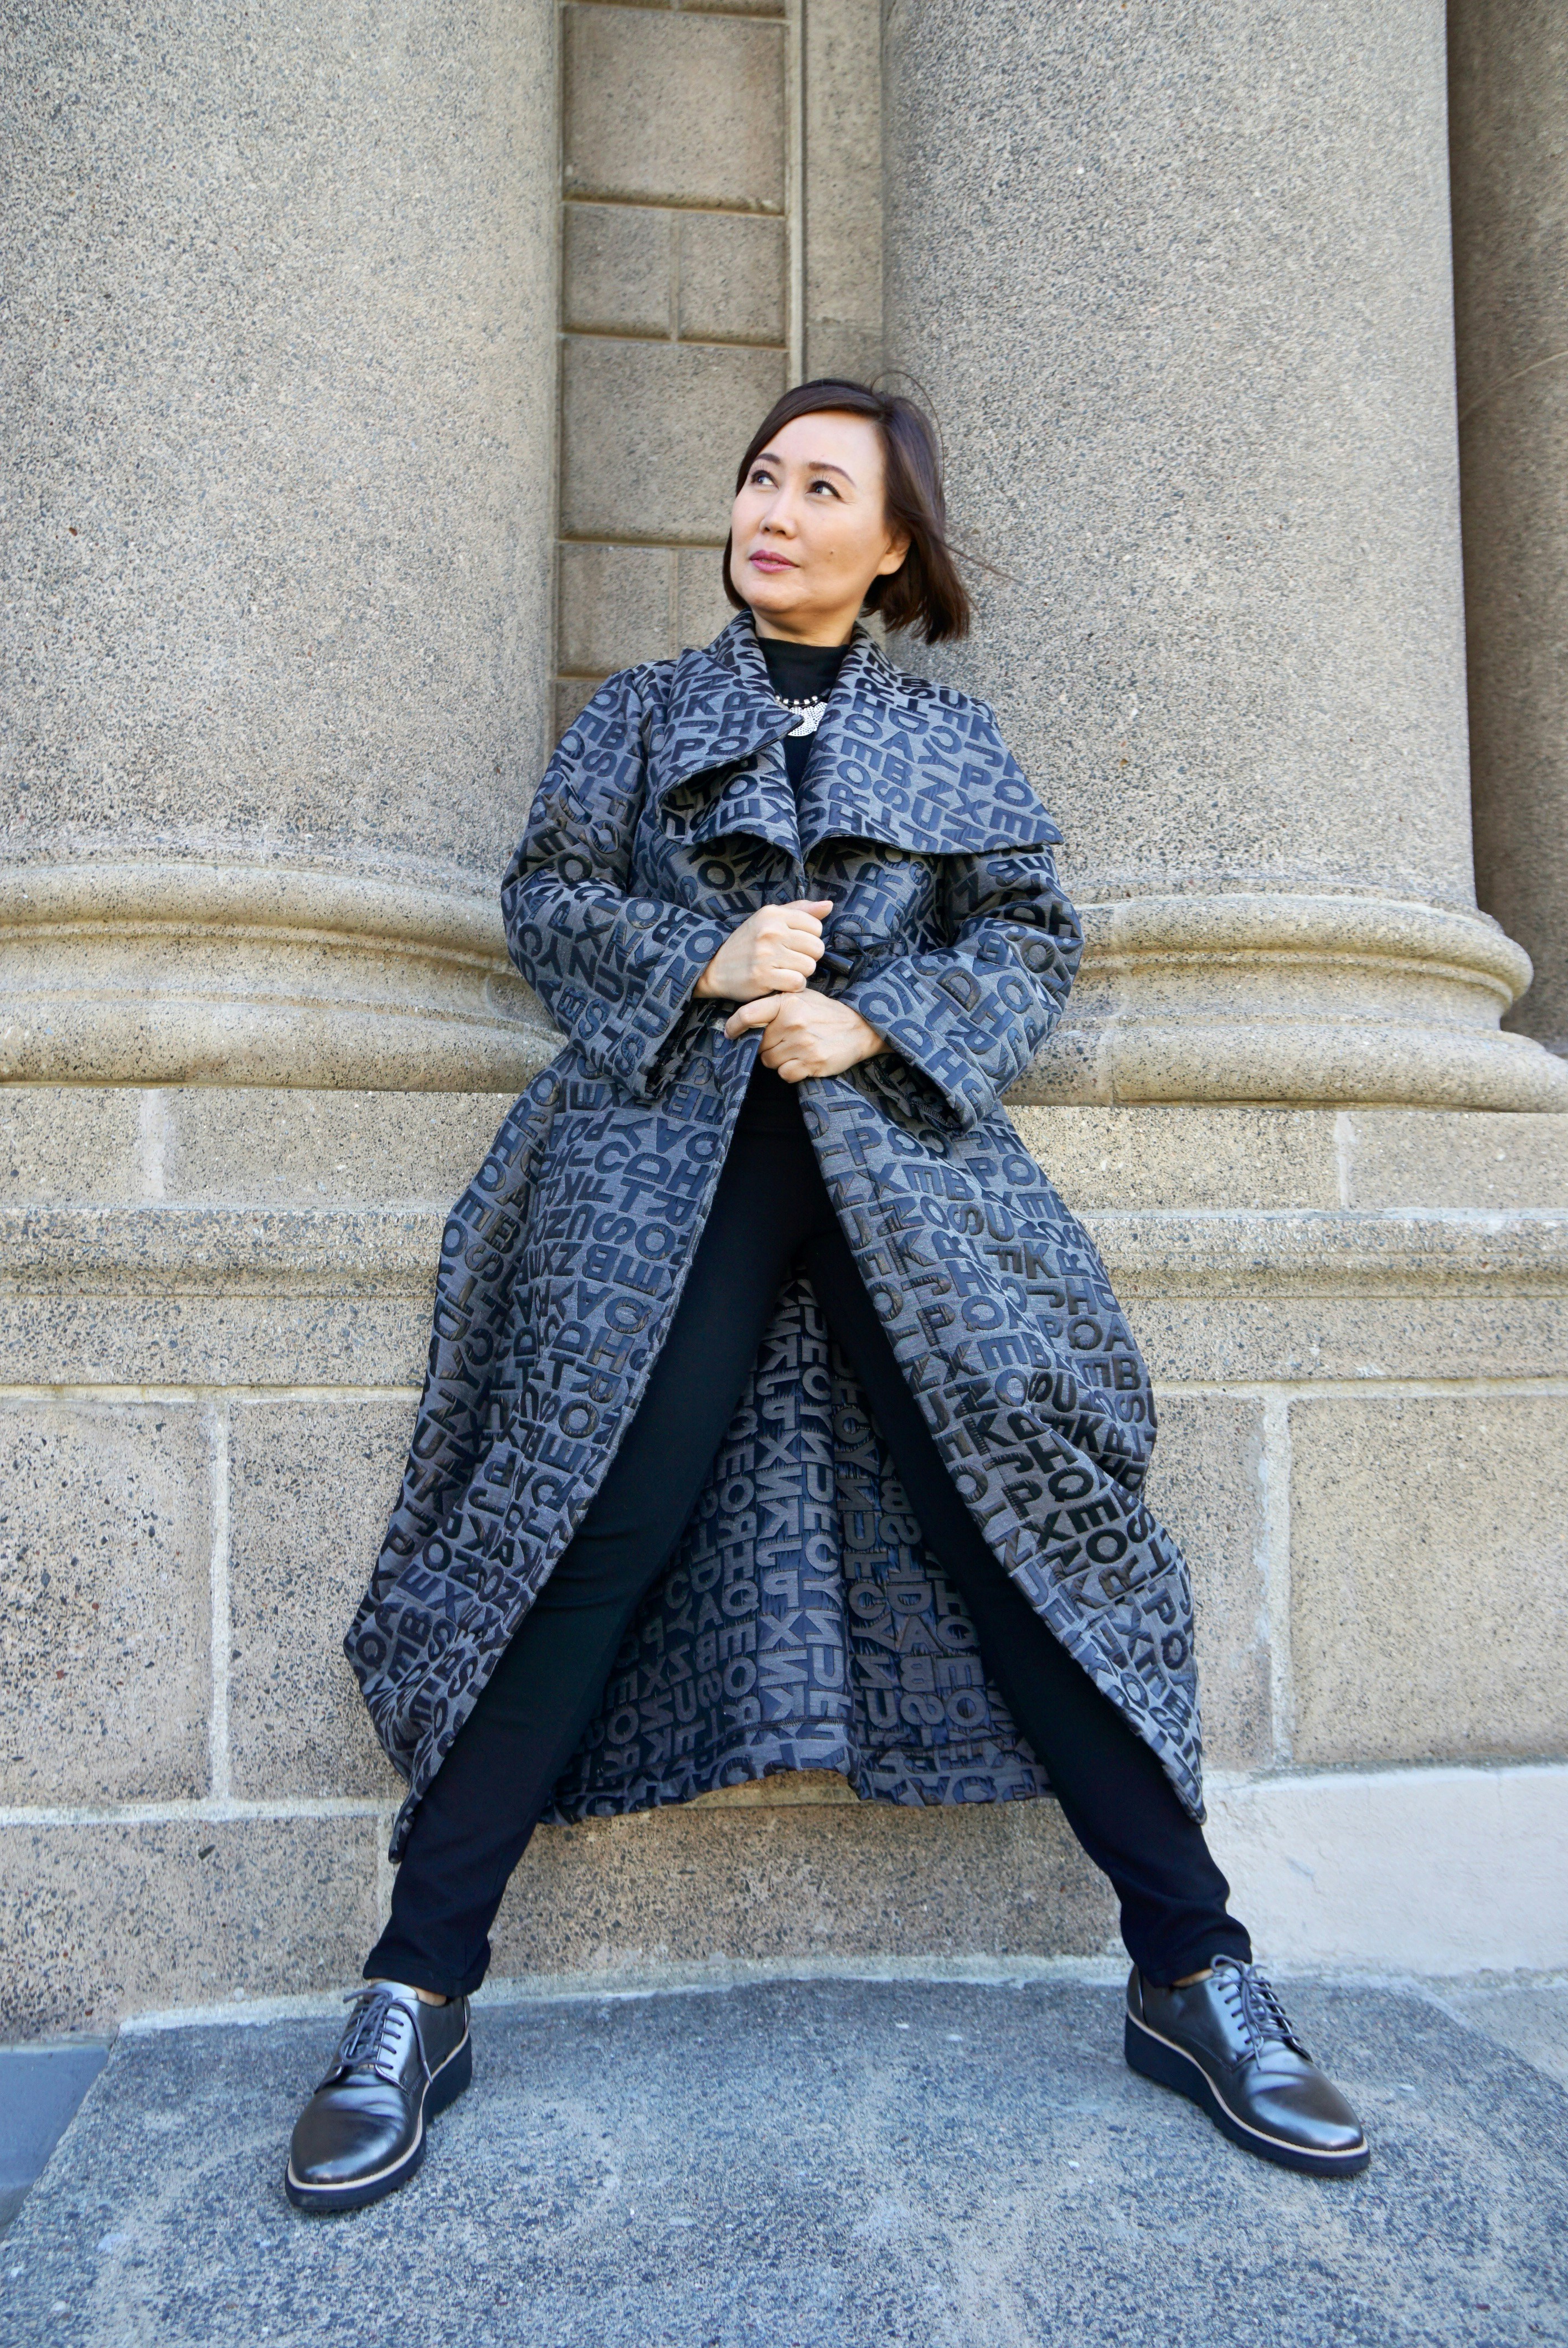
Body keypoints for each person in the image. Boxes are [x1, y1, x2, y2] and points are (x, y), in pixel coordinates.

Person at [286, 380, 1369, 2213]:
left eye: (824, 490)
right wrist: (706, 958)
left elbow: (1031, 932)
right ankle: (414, 1989)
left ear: (892, 549)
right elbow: (544, 898)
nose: (775, 509)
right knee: (588, 1532)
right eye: (763, 475)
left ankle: (1195, 1973)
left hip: (906, 1180)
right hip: (658, 1170)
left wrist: (875, 1016)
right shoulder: (638, 721)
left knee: (1015, 1520)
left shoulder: (954, 741)